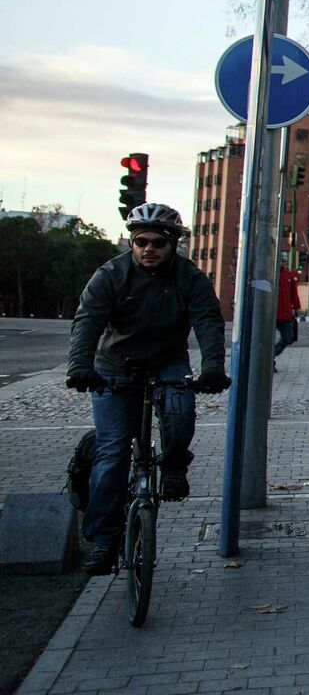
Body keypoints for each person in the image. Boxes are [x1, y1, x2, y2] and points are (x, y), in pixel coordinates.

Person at [65, 203, 231, 574]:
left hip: (167, 363)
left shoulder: (189, 277)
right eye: (140, 242)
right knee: (112, 453)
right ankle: (103, 539)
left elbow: (207, 320)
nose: (148, 249)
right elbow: (88, 320)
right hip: (114, 368)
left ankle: (173, 465)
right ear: (132, 242)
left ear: (172, 243)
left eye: (157, 242)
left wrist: (213, 368)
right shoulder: (110, 274)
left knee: (180, 412)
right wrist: (80, 366)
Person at [274, 264, 301, 367]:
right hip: (270, 314)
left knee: (289, 337)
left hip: (285, 313)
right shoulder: (268, 272)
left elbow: (293, 293)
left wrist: (296, 307)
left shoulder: (287, 275)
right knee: (267, 340)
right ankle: (269, 361)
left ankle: (271, 354)